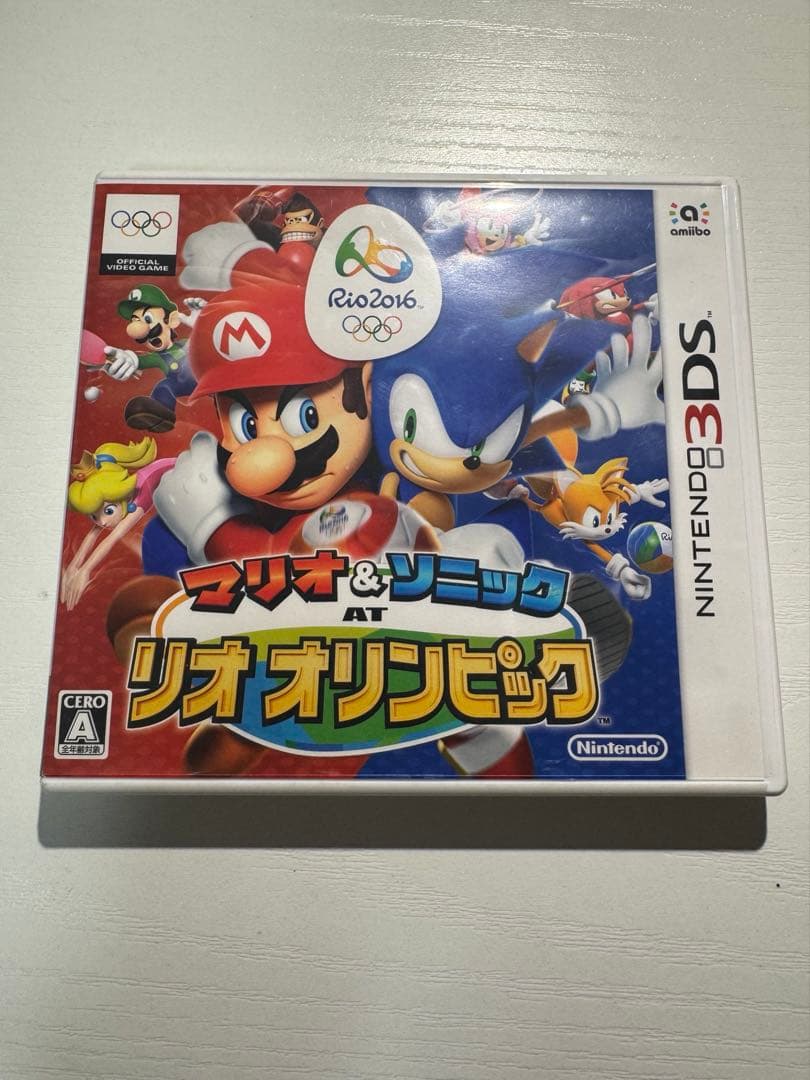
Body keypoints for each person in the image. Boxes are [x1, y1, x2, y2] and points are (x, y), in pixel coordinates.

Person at [61, 437, 174, 609]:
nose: (103, 522)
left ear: (123, 498)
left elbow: (111, 538)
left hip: (182, 474)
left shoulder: (137, 502)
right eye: (94, 516)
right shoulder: (116, 499)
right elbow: (93, 533)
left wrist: (85, 570)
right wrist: (73, 566)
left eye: (108, 512)